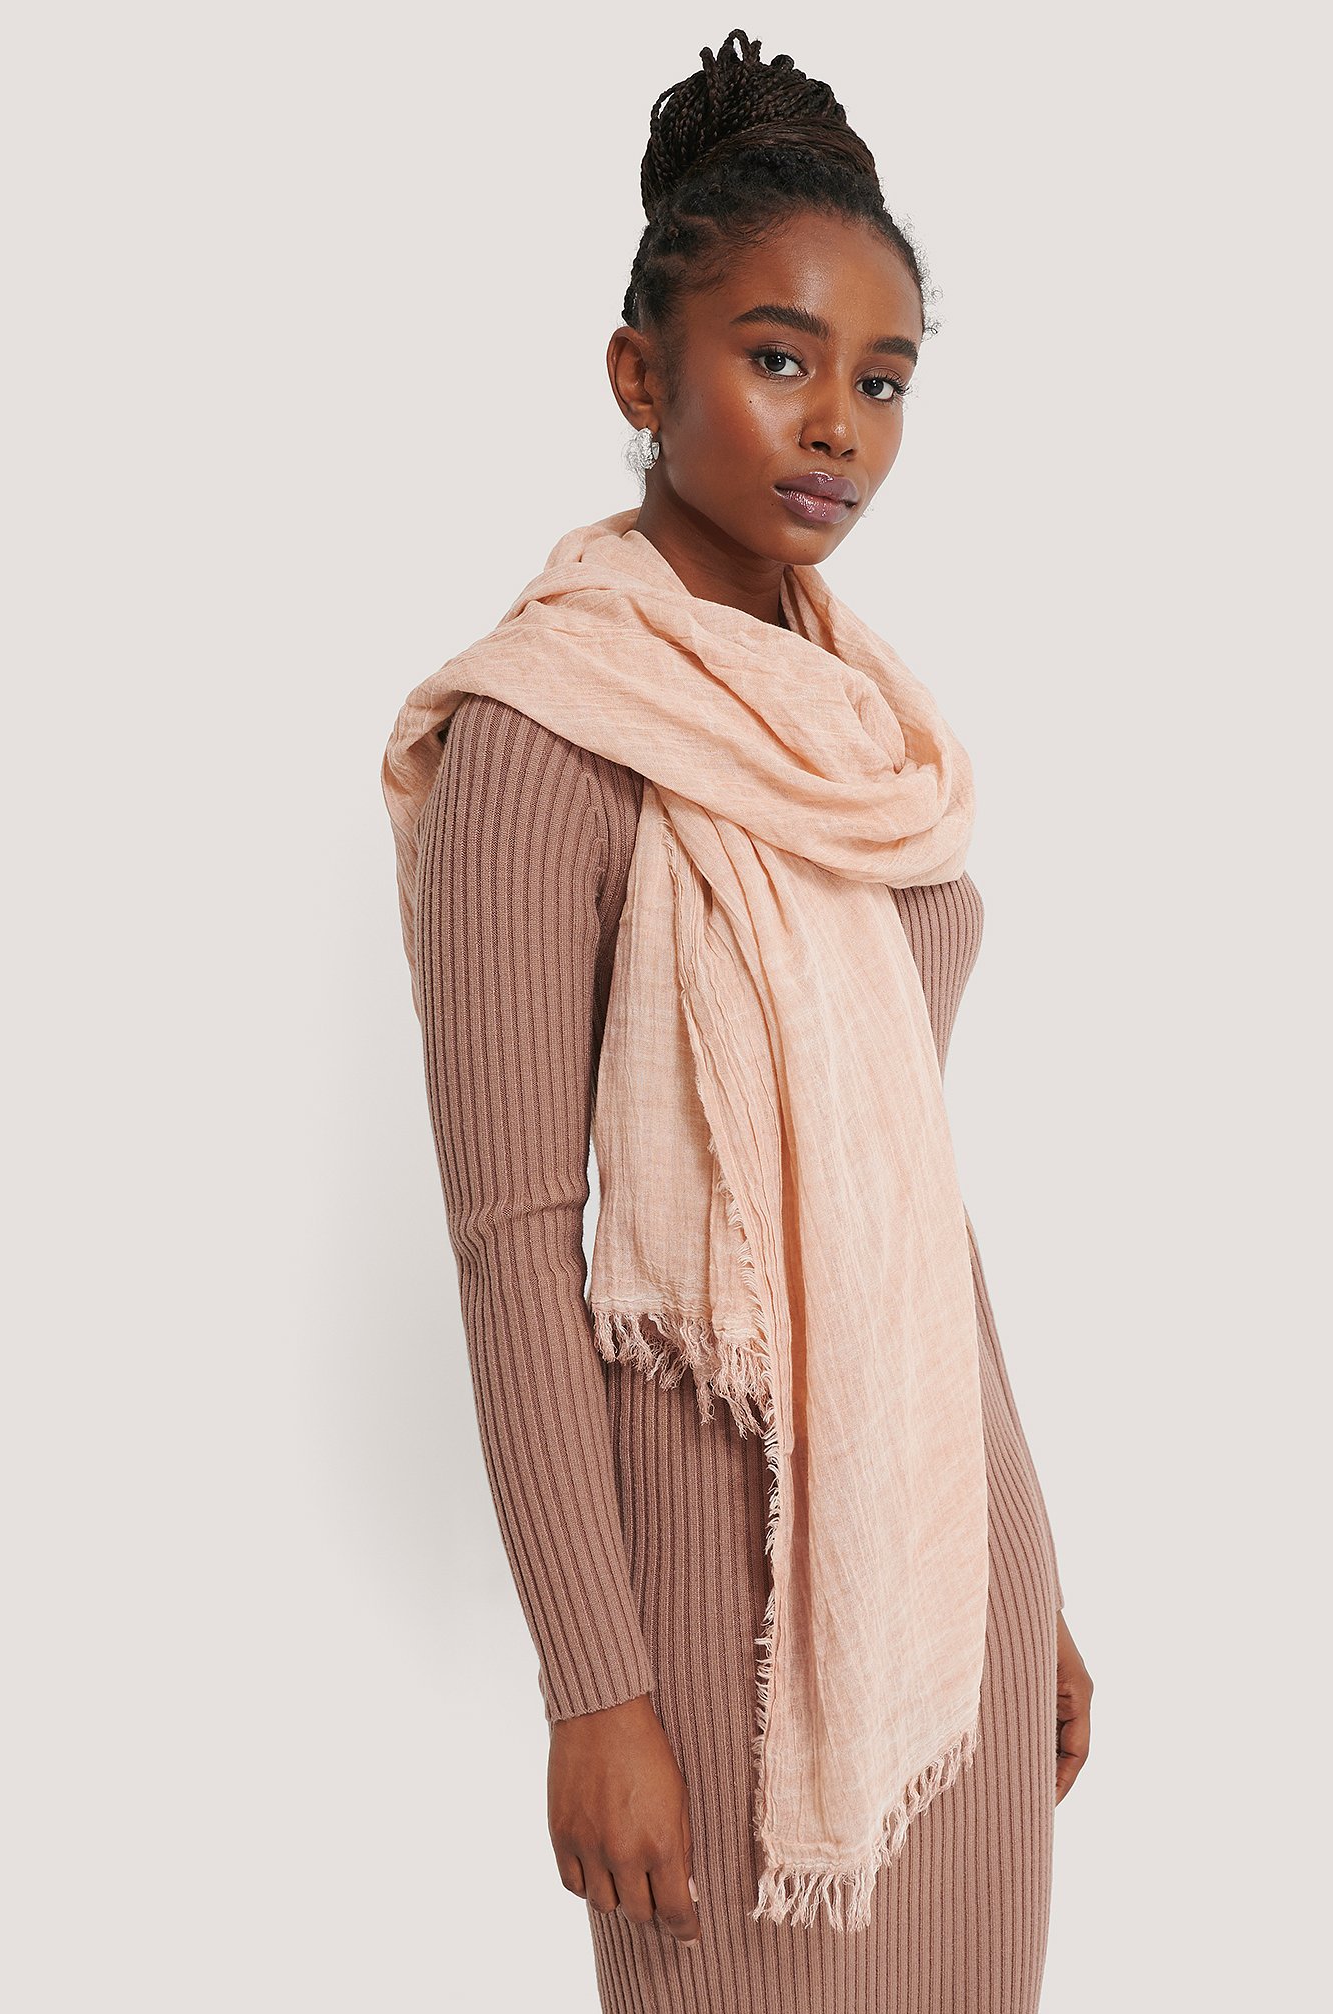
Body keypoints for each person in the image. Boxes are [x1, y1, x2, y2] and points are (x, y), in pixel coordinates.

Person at [384, 27, 1092, 2012]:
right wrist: (593, 1686)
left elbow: (915, 1197)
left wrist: (1029, 1558)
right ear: (640, 374)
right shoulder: (545, 730)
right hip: (717, 1589)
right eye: (780, 357)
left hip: (940, 1561)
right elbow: (512, 1240)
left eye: (883, 379)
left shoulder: (865, 730)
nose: (837, 425)